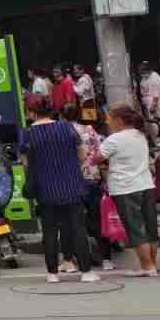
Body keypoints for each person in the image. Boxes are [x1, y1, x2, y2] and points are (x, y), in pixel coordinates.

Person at [20, 94, 96, 283]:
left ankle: (52, 273)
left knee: (49, 231)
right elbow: (82, 155)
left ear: (31, 112)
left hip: (46, 189)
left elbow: (27, 164)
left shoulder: (28, 134)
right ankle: (86, 272)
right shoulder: (66, 127)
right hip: (72, 186)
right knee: (77, 228)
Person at [98, 102, 159, 277]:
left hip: (125, 187)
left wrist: (103, 162)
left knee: (135, 228)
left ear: (119, 120)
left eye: (109, 118)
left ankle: (147, 267)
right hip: (146, 184)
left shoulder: (113, 139)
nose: (107, 122)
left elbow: (96, 158)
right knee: (150, 227)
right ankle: (151, 264)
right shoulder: (140, 135)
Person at [64, 101, 113, 273]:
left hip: (71, 182)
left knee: (75, 222)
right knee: (97, 219)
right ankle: (106, 259)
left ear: (62, 117)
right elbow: (100, 154)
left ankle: (77, 259)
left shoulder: (61, 132)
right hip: (92, 179)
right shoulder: (90, 130)